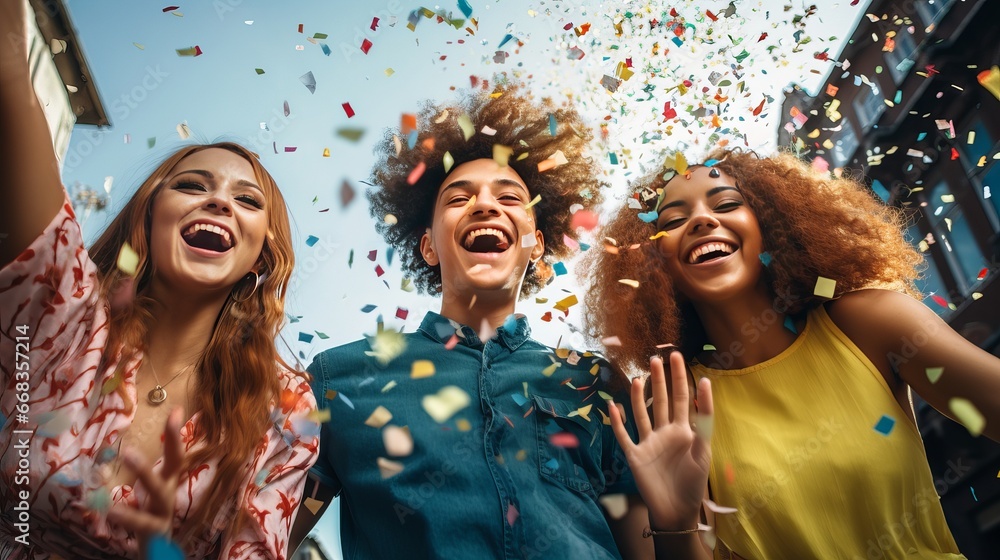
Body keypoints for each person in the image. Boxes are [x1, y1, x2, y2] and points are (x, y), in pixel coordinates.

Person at [289, 83, 667, 559]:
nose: (486, 206)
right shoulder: (338, 380)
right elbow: (261, 537)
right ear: (427, 245)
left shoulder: (595, 384)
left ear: (538, 246)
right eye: (457, 197)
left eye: (510, 199)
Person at [0, 2, 318, 558]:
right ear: (149, 216)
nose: (219, 200)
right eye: (193, 186)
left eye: (246, 201)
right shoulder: (67, 318)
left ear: (261, 258)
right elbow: (9, 76)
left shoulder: (286, 407)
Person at [586, 148, 1000, 559]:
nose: (702, 220)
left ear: (771, 223)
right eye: (673, 221)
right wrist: (674, 526)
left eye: (727, 204)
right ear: (654, 265)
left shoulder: (871, 321)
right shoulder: (675, 410)